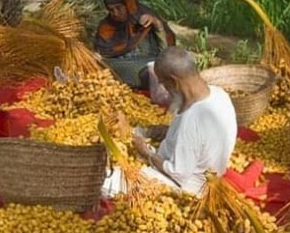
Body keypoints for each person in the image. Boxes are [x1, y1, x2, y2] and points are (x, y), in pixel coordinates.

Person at [102, 46, 237, 196]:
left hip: (187, 187)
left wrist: (146, 153)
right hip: (201, 168)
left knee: (105, 180)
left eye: (164, 83)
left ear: (174, 81)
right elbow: (200, 137)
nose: (165, 89)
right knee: (137, 134)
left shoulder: (192, 119)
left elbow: (179, 174)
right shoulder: (219, 93)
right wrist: (170, 131)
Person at [93, 0, 176, 89]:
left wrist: (156, 24)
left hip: (148, 69)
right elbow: (101, 55)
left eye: (118, 8)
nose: (115, 13)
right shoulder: (106, 27)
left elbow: (165, 51)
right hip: (120, 72)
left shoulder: (145, 17)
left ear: (127, 5)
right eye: (111, 10)